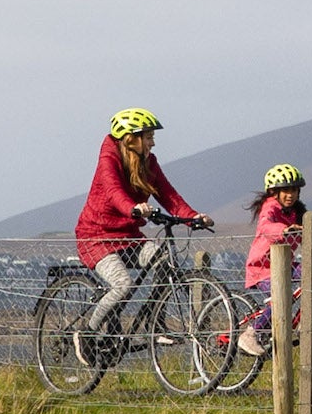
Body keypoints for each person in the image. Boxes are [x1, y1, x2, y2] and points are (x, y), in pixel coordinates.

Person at [74, 109, 211, 360]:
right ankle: (87, 332)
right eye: (148, 136)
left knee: (163, 260)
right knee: (122, 284)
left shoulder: (150, 162)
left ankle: (155, 324)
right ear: (130, 138)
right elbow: (114, 191)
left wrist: (192, 217)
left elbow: (169, 196)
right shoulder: (109, 158)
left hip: (128, 235)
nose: (153, 142)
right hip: (96, 236)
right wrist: (133, 208)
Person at [239, 163, 312, 357]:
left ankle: (301, 323)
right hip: (263, 268)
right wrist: (282, 230)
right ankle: (251, 334)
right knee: (280, 302)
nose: (290, 195)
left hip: (285, 265)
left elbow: (310, 237)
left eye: (294, 190)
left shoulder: (296, 214)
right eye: (285, 190)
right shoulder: (270, 208)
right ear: (274, 192)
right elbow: (266, 226)